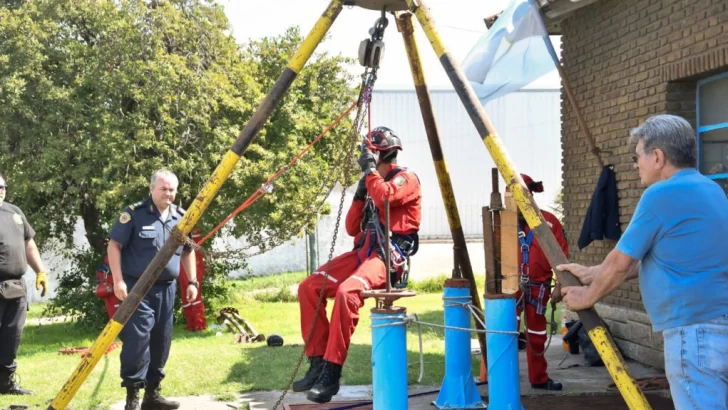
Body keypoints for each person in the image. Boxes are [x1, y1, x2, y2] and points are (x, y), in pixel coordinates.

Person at [558, 114, 728, 410]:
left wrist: (585, 296)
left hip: (693, 333)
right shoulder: (711, 189)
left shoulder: (660, 195)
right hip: (717, 326)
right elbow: (662, 258)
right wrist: (593, 274)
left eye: (638, 156)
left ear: (658, 157)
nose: (636, 165)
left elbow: (621, 262)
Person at [294, 126, 422, 404]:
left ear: (378, 155)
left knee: (347, 292)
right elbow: (353, 228)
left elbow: (387, 197)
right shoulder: (373, 183)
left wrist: (371, 175)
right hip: (364, 251)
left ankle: (331, 372)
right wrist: (359, 194)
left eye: (368, 156)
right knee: (309, 287)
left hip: (389, 256)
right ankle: (316, 363)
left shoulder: (406, 179)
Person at [107, 169, 198, 410]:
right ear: (151, 189)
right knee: (138, 340)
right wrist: (118, 281)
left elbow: (188, 251)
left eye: (172, 190)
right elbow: (114, 245)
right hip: (137, 290)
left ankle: (152, 395)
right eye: (163, 189)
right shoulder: (134, 214)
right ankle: (132, 398)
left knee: (162, 339)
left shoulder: (181, 217)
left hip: (167, 290)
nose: (168, 194)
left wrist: (192, 282)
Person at [513, 174, 567, 391]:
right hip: (510, 289)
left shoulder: (549, 222)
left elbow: (561, 256)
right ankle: (497, 379)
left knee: (536, 335)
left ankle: (539, 379)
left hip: (539, 288)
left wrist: (561, 285)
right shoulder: (501, 223)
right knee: (503, 333)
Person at [0, 172, 49, 395]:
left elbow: (29, 244)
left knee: (12, 336)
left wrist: (40, 271)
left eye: (3, 187)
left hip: (16, 287)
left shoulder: (14, 213)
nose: (1, 191)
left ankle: (6, 382)